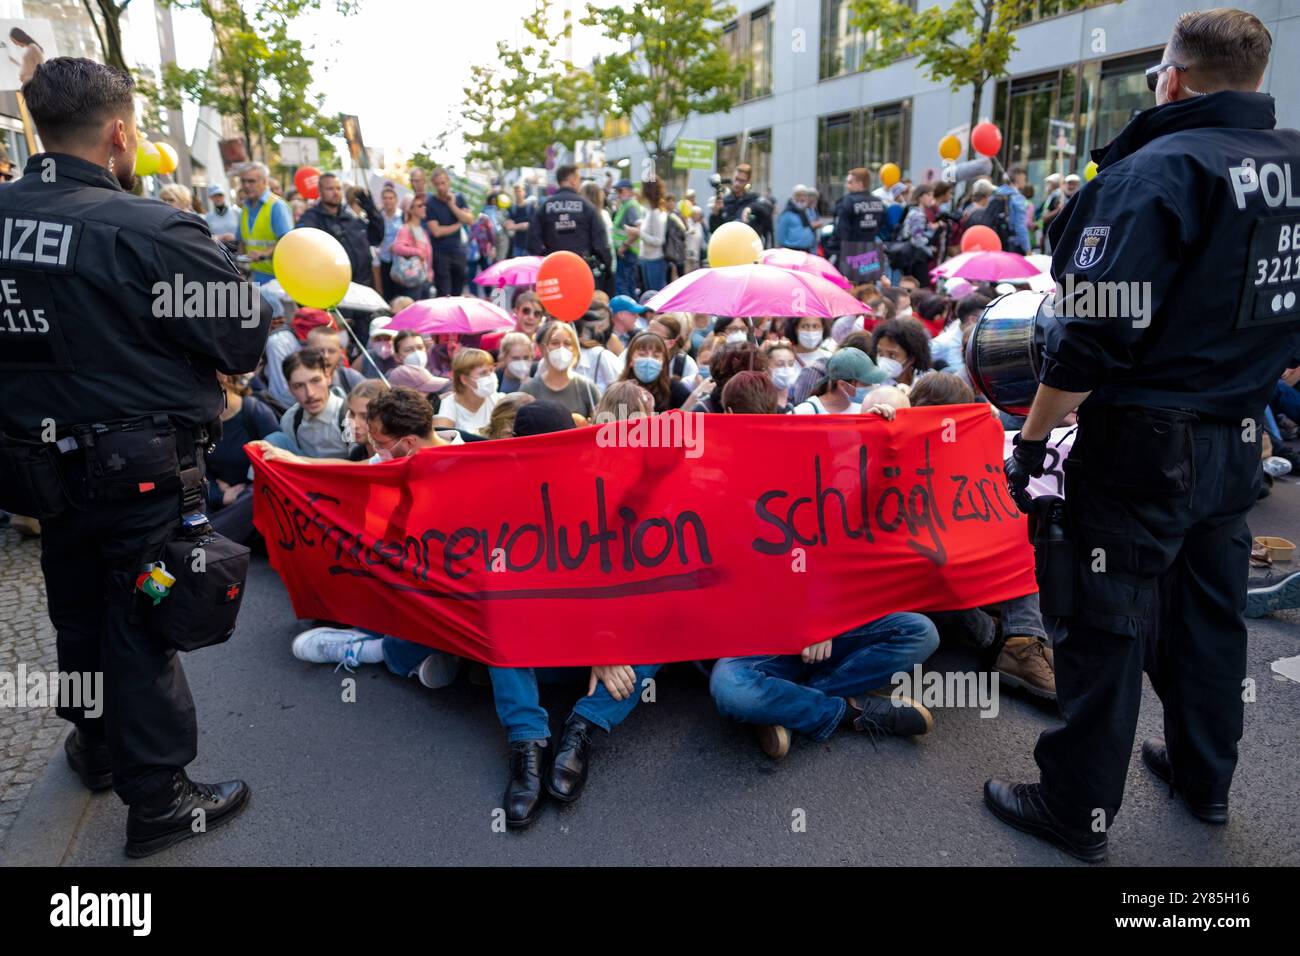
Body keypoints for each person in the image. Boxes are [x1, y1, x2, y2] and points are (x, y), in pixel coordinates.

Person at [990, 7, 1300, 864]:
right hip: (1237, 438)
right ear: (1256, 82)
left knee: (1105, 625)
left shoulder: (1156, 170)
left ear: (1171, 77)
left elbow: (1088, 337)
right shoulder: (1291, 164)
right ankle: (1206, 782)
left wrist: (1030, 441)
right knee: (1209, 622)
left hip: (1142, 445)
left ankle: (1073, 809)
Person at [0, 57, 270, 857]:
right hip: (137, 475)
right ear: (120, 133)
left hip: (36, 471)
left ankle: (95, 746)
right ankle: (158, 796)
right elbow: (241, 331)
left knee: (75, 609)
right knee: (142, 617)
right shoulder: (148, 228)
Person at [487, 399, 662, 829]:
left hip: (601, 650)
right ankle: (527, 741)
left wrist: (604, 638)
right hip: (539, 649)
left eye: (560, 448)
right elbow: (511, 590)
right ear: (518, 450)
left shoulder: (607, 492)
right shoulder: (497, 498)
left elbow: (635, 582)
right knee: (498, 608)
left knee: (662, 626)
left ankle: (584, 726)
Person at [260, 388, 464, 687]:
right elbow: (353, 470)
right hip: (401, 572)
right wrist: (293, 460)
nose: (374, 447)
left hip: (450, 580)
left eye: (379, 442)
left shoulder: (468, 464)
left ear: (408, 442)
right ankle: (399, 649)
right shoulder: (394, 456)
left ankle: (373, 650)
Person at [710, 613, 940, 760]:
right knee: (730, 688)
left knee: (921, 632)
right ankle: (850, 712)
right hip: (755, 648)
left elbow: (845, 565)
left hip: (827, 626)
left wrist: (826, 618)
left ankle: (783, 706)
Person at [207, 372, 281, 544]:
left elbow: (278, 466)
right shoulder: (201, 420)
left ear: (222, 377)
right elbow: (200, 471)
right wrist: (221, 496)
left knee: (254, 497)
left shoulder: (256, 412)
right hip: (223, 502)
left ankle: (204, 547)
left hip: (256, 498)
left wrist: (241, 492)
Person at [297, 172, 384, 289]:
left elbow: (376, 238)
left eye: (338, 188)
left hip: (363, 286)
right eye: (330, 189)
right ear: (320, 191)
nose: (335, 192)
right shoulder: (312, 219)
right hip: (334, 287)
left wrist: (372, 211)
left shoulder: (350, 217)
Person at [529, 164, 612, 284]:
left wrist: (545, 260)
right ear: (572, 180)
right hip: (582, 269)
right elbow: (600, 243)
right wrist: (606, 267)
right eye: (579, 179)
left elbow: (533, 242)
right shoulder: (587, 207)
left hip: (553, 269)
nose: (579, 183)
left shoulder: (544, 208)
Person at [520, 321, 600, 420]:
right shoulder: (529, 389)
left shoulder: (586, 387)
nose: (561, 348)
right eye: (555, 343)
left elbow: (602, 424)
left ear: (574, 349)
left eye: (567, 343)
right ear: (544, 349)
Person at [278, 348, 349, 458]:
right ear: (290, 389)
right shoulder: (290, 419)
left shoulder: (350, 417)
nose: (310, 393)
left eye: (315, 381)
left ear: (328, 377)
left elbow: (366, 464)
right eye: (299, 386)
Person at [237, 161, 293, 284]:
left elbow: (287, 241)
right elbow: (241, 242)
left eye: (251, 181)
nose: (246, 185)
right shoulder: (245, 209)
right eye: (243, 181)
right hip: (255, 276)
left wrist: (263, 254)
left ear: (265, 181)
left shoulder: (277, 206)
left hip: (278, 277)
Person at [828, 166, 886, 284]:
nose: (846, 185)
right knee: (868, 289)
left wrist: (834, 249)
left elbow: (842, 230)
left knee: (848, 289)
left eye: (850, 182)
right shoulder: (878, 202)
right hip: (871, 252)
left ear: (860, 184)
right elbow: (882, 226)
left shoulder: (846, 202)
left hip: (849, 253)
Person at [424, 167, 475, 296]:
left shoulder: (459, 198)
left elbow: (469, 220)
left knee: (458, 292)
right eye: (437, 184)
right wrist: (458, 224)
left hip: (458, 252)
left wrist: (452, 205)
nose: (441, 187)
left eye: (443, 183)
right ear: (433, 185)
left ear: (448, 182)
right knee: (444, 294)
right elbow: (437, 231)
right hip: (440, 253)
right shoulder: (430, 203)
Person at [792, 347, 885, 416]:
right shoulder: (805, 411)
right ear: (843, 385)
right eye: (866, 383)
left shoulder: (863, 410)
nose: (871, 387)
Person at [616, 331, 692, 412]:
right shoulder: (617, 391)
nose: (649, 360)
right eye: (642, 354)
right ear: (630, 360)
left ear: (663, 363)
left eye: (656, 356)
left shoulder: (676, 390)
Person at [432, 347, 502, 432]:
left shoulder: (499, 400)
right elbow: (442, 438)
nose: (490, 376)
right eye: (483, 373)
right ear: (464, 379)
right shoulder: (448, 405)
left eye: (491, 370)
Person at [709, 162, 772, 245]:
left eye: (742, 181)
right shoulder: (725, 200)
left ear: (748, 181)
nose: (737, 183)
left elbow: (768, 208)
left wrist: (750, 208)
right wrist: (715, 214)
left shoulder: (754, 198)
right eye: (736, 179)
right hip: (729, 249)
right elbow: (715, 230)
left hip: (749, 249)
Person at [390, 192, 433, 299]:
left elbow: (427, 255)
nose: (423, 208)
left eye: (424, 205)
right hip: (413, 278)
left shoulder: (422, 230)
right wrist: (417, 252)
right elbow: (397, 247)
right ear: (410, 209)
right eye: (419, 206)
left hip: (423, 278)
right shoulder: (406, 228)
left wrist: (430, 272)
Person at [870, 318, 932, 387]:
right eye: (880, 353)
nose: (884, 360)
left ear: (911, 359)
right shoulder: (873, 385)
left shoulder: (926, 384)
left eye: (892, 355)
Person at [306, 324, 365, 394]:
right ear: (307, 351)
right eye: (319, 350)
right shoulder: (298, 379)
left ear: (340, 354)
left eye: (331, 351)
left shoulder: (349, 377)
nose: (326, 356)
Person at [610, 178, 642, 299]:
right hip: (626, 252)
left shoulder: (630, 206)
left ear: (629, 191)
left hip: (627, 252)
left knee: (624, 285)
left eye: (620, 191)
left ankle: (627, 313)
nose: (618, 194)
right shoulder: (625, 205)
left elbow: (638, 230)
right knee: (627, 284)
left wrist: (624, 246)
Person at [637, 179, 668, 294]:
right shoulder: (651, 211)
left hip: (655, 260)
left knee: (655, 297)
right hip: (648, 259)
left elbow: (659, 240)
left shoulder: (655, 213)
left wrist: (639, 233)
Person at [375, 184, 404, 300]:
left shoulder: (402, 216)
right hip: (384, 257)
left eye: (390, 198)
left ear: (396, 200)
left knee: (400, 291)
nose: (388, 201)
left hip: (400, 259)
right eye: (385, 198)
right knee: (387, 291)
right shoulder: (379, 216)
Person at [776, 184, 818, 252]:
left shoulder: (806, 212)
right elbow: (781, 236)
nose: (802, 198)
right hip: (792, 251)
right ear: (793, 197)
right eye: (799, 195)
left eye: (804, 195)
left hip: (807, 250)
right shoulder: (787, 213)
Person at [204, 183, 239, 251]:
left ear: (224, 196)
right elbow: (206, 237)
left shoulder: (237, 212)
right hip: (219, 252)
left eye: (220, 195)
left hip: (236, 249)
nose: (218, 198)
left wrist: (235, 236)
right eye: (215, 196)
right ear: (211, 198)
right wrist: (219, 237)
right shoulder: (208, 217)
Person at [504, 182, 533, 257]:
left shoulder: (531, 207)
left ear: (524, 192)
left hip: (529, 245)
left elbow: (530, 225)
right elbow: (508, 226)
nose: (517, 194)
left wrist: (515, 226)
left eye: (519, 191)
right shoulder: (511, 208)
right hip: (517, 245)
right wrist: (522, 225)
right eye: (516, 191)